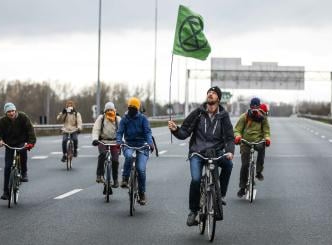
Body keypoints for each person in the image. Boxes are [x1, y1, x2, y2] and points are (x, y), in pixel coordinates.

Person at [168, 86, 235, 227]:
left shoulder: (223, 116)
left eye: (214, 93)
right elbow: (184, 132)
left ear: (218, 98)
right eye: (209, 92)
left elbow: (229, 137)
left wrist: (229, 151)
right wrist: (176, 130)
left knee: (229, 165)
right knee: (196, 179)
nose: (210, 94)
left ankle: (220, 195)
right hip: (197, 152)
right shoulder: (198, 113)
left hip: (216, 152)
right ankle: (193, 212)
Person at [0, 102, 36, 200]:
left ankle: (24, 172)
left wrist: (31, 143)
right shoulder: (2, 121)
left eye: (12, 111)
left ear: (15, 110)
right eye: (9, 112)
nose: (11, 113)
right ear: (6, 113)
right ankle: (6, 192)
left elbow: (31, 131)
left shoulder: (23, 117)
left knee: (23, 152)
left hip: (21, 141)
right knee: (7, 167)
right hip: (9, 144)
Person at [116, 97, 154, 205]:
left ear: (137, 108)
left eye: (134, 107)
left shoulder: (143, 119)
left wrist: (150, 143)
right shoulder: (124, 119)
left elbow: (147, 132)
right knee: (128, 157)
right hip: (129, 144)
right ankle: (125, 178)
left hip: (142, 146)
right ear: (128, 107)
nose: (131, 109)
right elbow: (119, 132)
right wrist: (119, 141)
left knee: (141, 169)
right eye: (130, 107)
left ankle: (142, 193)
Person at [234, 97, 271, 198]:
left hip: (258, 141)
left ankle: (258, 171)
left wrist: (267, 138)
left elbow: (266, 130)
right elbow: (237, 129)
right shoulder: (244, 116)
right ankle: (242, 187)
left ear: (259, 107)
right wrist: (237, 136)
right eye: (253, 106)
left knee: (262, 149)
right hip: (245, 142)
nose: (254, 108)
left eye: (256, 106)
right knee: (245, 165)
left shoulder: (263, 118)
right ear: (250, 106)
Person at [92, 102, 121, 188]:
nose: (110, 111)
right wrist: (95, 139)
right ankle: (99, 175)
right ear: (105, 110)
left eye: (111, 109)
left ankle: (115, 180)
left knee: (115, 160)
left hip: (114, 142)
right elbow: (96, 129)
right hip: (103, 141)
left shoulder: (117, 119)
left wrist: (122, 141)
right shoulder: (101, 118)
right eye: (108, 110)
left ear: (114, 110)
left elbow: (122, 131)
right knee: (103, 154)